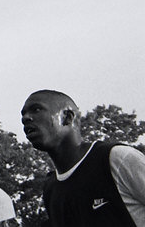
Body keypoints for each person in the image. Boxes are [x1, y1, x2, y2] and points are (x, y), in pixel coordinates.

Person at [21, 89, 145, 226]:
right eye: (23, 114)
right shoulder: (50, 189)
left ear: (67, 117)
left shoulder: (117, 158)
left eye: (36, 109)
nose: (25, 118)